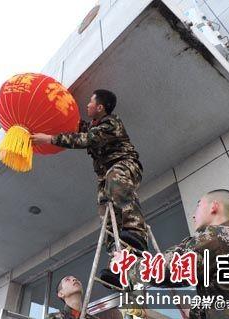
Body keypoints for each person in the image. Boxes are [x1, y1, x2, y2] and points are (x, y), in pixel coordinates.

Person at [113, 189, 229, 318]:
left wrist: (128, 266)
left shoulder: (217, 236)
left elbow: (168, 270)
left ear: (214, 207)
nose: (193, 215)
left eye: (198, 206)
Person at [32, 89, 148, 288]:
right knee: (107, 216)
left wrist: (49, 139)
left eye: (90, 102)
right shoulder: (91, 126)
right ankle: (119, 267)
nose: (86, 105)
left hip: (125, 165)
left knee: (116, 179)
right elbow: (72, 126)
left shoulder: (111, 123)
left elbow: (84, 139)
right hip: (105, 178)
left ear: (100, 107)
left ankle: (137, 233)